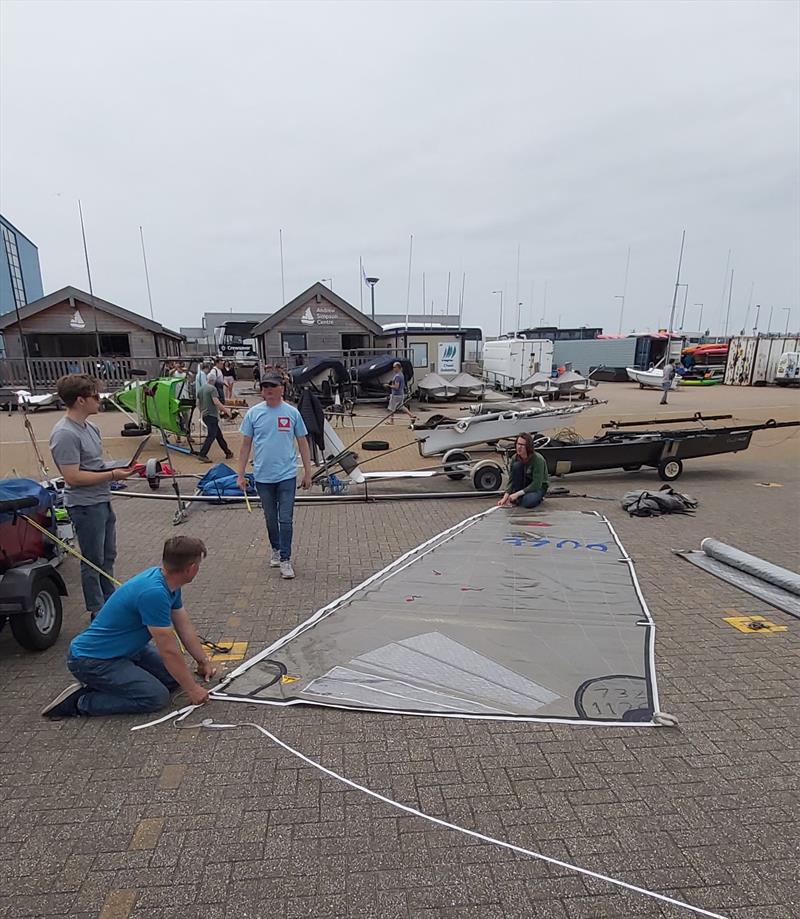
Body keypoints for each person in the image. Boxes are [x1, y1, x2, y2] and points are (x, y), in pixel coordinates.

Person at [41, 537, 216, 719]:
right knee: (155, 697)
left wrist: (202, 661)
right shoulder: (154, 593)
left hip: (126, 651)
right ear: (191, 568)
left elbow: (184, 627)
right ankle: (80, 702)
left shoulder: (169, 582)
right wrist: (192, 689)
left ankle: (115, 682)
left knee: (173, 678)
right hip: (92, 660)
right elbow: (168, 650)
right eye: (198, 564)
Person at [49, 374, 138, 620]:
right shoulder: (65, 434)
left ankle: (110, 601)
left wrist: (120, 468)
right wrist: (112, 475)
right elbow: (73, 477)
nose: (100, 400)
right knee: (92, 560)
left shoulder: (92, 428)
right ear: (80, 400)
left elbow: (93, 464)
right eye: (95, 396)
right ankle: (97, 611)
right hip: (85, 506)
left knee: (108, 555)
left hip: (102, 499)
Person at [236, 372, 312, 579]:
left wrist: (308, 471)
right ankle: (276, 549)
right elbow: (245, 446)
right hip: (263, 476)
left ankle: (286, 559)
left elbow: (303, 443)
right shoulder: (253, 414)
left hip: (287, 474)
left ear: (282, 388)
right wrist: (240, 474)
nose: (268, 390)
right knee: (271, 518)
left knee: (285, 518)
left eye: (272, 386)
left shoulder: (292, 413)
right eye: (264, 387)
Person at [497, 433, 549, 509]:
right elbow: (511, 480)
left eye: (522, 445)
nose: (519, 447)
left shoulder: (538, 459)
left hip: (538, 487)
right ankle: (520, 497)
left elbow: (536, 484)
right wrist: (505, 497)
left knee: (528, 502)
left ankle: (535, 498)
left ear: (528, 447)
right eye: (518, 444)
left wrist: (517, 494)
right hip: (523, 484)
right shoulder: (515, 458)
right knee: (517, 466)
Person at [196, 379, 235, 463]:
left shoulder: (201, 389)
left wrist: (202, 411)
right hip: (211, 415)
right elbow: (216, 402)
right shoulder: (212, 389)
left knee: (218, 435)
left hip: (205, 415)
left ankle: (227, 452)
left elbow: (198, 403)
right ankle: (202, 454)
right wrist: (226, 411)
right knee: (211, 435)